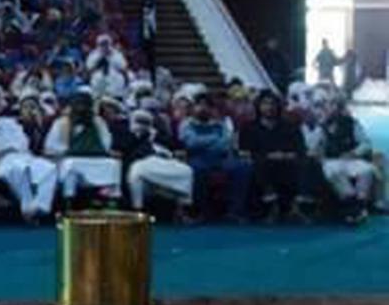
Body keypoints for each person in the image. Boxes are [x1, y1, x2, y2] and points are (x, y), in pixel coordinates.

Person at [0, 97, 58, 223]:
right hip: (1, 163)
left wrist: (6, 147)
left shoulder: (10, 123)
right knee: (21, 169)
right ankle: (27, 209)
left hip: (24, 156)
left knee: (50, 168)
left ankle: (40, 206)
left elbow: (23, 142)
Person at [239, 90, 311, 223]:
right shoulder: (249, 127)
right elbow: (243, 150)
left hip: (287, 160)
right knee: (260, 164)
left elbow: (300, 148)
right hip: (261, 161)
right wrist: (268, 155)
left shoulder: (289, 126)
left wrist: (287, 154)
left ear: (278, 106)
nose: (269, 107)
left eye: (272, 104)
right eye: (265, 104)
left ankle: (296, 207)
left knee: (305, 162)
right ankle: (271, 204)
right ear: (258, 106)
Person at [178, 94, 252, 222]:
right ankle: (201, 212)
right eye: (199, 105)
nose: (203, 108)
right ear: (194, 108)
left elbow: (224, 145)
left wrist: (203, 142)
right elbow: (191, 143)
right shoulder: (186, 123)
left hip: (221, 159)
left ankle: (235, 211)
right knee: (197, 170)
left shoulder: (220, 124)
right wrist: (214, 139)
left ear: (212, 109)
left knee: (243, 167)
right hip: (197, 158)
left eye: (207, 105)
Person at [43, 91, 121, 202]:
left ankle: (110, 198)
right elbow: (51, 146)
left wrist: (98, 150)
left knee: (113, 164)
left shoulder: (98, 122)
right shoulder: (61, 123)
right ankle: (69, 199)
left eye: (84, 105)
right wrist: (65, 151)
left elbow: (106, 142)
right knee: (70, 166)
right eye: (78, 105)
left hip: (96, 159)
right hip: (69, 159)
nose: (81, 108)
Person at [118, 109, 194, 217]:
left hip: (165, 162)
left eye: (145, 121)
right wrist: (138, 136)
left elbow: (177, 147)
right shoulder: (127, 136)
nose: (142, 124)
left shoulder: (159, 135)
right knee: (136, 172)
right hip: (142, 162)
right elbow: (124, 152)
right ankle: (138, 209)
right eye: (139, 120)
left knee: (187, 171)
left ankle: (184, 209)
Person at [320, 95, 376, 224]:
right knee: (335, 173)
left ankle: (357, 206)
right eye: (330, 106)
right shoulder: (322, 125)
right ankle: (355, 206)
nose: (333, 109)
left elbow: (366, 143)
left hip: (351, 159)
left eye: (337, 106)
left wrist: (353, 153)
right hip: (331, 161)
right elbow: (317, 146)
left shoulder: (352, 123)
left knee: (366, 171)